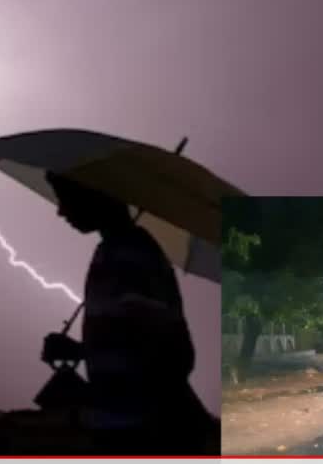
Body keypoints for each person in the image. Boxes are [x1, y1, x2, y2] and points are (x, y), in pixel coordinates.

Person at [40, 171, 218, 455]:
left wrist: (85, 353)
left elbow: (166, 352)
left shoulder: (132, 253)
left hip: (149, 433)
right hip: (125, 429)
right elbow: (131, 341)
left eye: (67, 199)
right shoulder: (110, 251)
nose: (61, 211)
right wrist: (79, 351)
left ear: (96, 196)